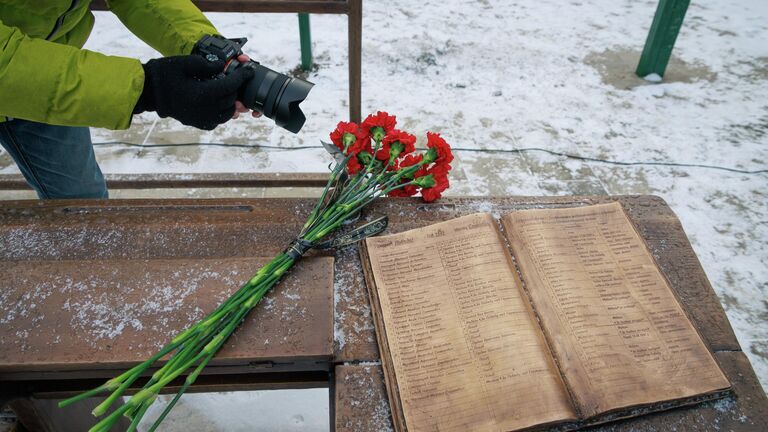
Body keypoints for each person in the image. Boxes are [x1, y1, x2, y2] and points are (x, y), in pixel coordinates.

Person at [0, 0, 259, 199]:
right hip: (28, 75)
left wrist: (205, 47)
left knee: (83, 203)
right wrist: (148, 88)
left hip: (48, 74)